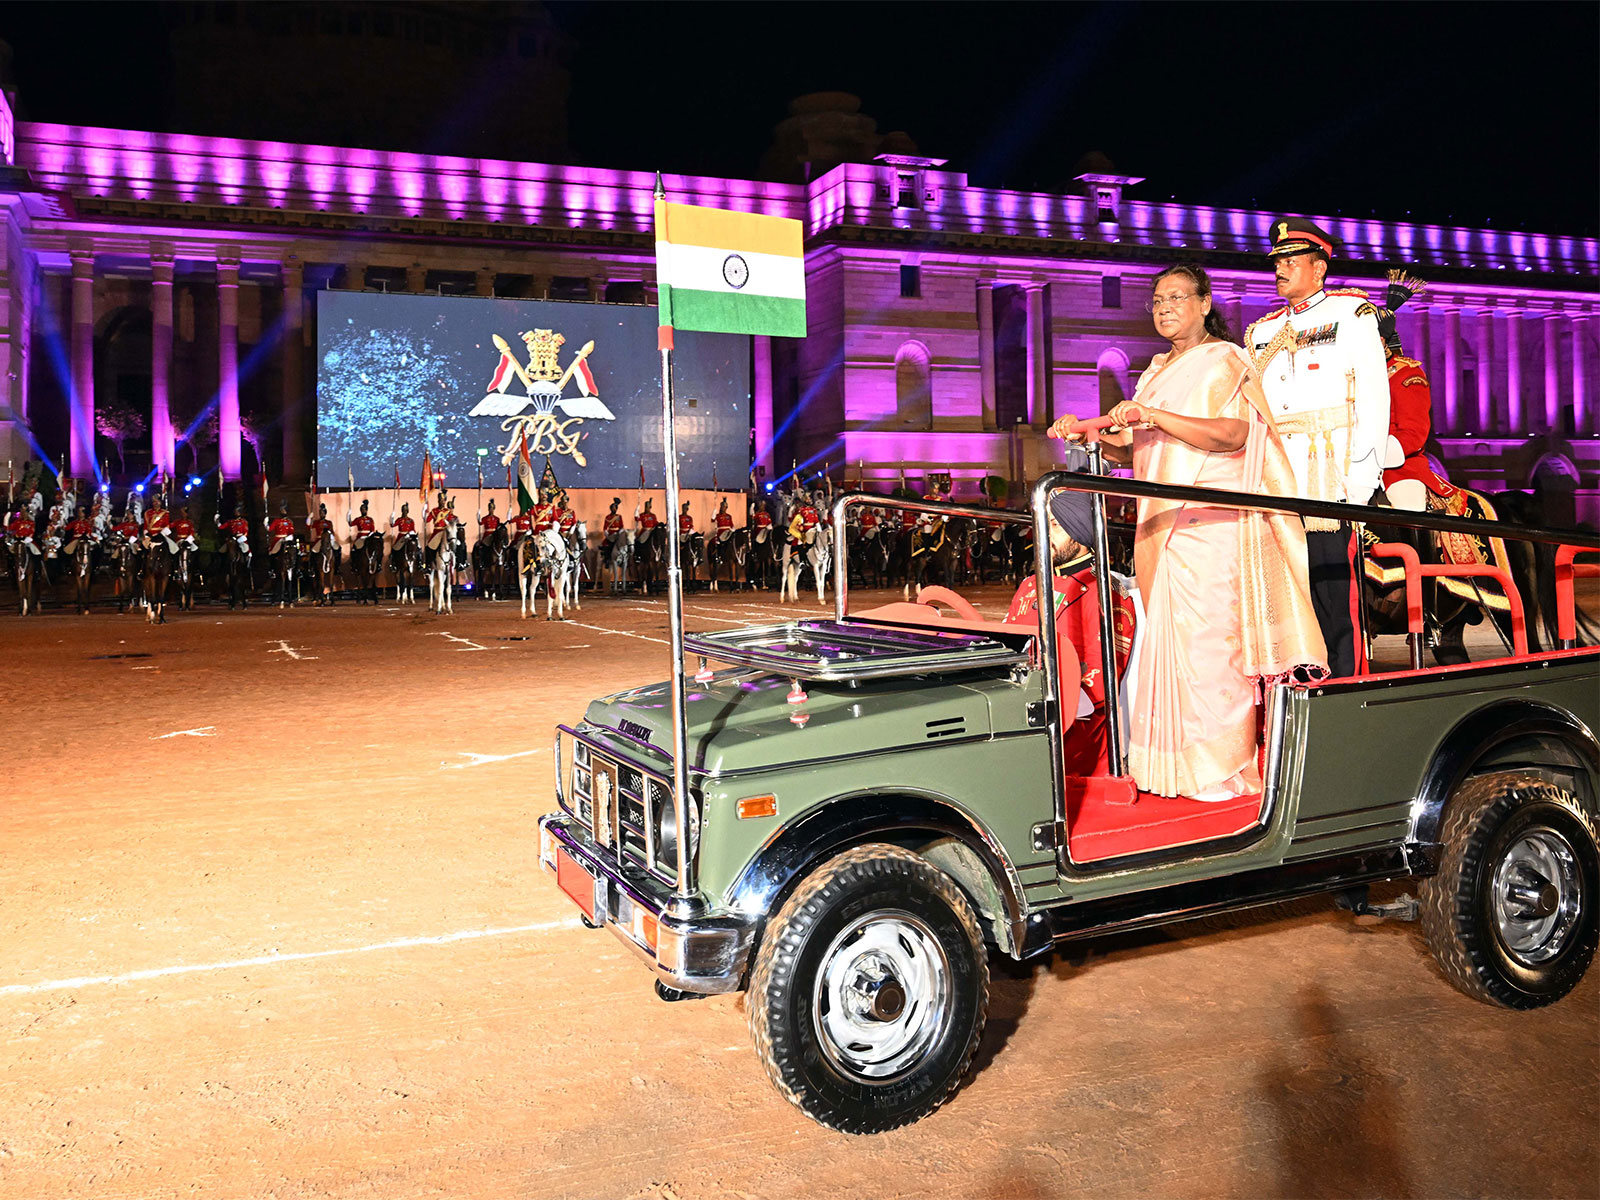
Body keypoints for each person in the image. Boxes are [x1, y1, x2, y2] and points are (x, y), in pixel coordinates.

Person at [1053, 263, 1326, 800]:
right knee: (1169, 645)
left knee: (1210, 649)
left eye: (1176, 297)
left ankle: (1224, 770)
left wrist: (1152, 415)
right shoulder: (1154, 371)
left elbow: (1233, 435)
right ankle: (1170, 769)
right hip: (1159, 528)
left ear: (1204, 303)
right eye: (1156, 300)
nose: (1164, 307)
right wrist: (1086, 434)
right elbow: (1140, 451)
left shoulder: (1226, 360)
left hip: (1209, 526)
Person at [1245, 217, 1389, 677]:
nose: (1281, 269)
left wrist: (1362, 481)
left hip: (1328, 476)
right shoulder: (1261, 332)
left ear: (1320, 267)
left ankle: (1346, 685)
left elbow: (1373, 396)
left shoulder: (1352, 314)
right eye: (1278, 261)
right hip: (1278, 478)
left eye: (1291, 260)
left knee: (1333, 595)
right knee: (1287, 593)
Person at [1004, 467, 1139, 776]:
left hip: (1074, 726)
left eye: (1054, 525)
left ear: (1079, 531)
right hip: (1022, 708)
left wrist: (1038, 707)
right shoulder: (1029, 585)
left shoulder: (1106, 590)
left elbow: (1100, 680)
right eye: (1044, 524)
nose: (1043, 535)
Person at [1372, 271, 1451, 511]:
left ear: (1383, 341)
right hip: (1347, 469)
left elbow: (1414, 433)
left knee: (1408, 505)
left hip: (1397, 470)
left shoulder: (1406, 374)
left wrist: (1372, 456)